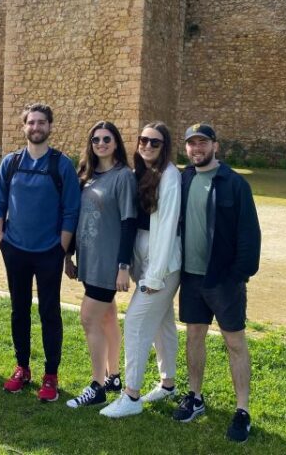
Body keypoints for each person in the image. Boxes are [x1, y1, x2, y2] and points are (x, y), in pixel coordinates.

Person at [172, 123, 261, 444]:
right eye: (191, 144)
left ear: (215, 146)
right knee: (194, 336)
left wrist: (239, 274)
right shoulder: (184, 179)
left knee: (234, 342)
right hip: (192, 277)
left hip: (224, 279)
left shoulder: (234, 184)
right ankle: (195, 396)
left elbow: (249, 234)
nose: (197, 149)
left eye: (202, 143)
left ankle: (242, 410)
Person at [0, 103, 80, 402]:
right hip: (15, 249)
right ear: (24, 126)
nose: (36, 127)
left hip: (49, 252)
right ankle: (22, 367)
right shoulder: (11, 162)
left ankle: (51, 374)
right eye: (31, 122)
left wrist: (61, 248)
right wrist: (2, 240)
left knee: (49, 312)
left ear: (50, 127)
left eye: (42, 122)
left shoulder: (61, 164)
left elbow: (71, 209)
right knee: (19, 310)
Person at [100, 121, 182, 418]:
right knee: (162, 324)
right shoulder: (139, 173)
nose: (147, 145)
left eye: (155, 142)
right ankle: (169, 384)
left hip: (163, 266)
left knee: (135, 322)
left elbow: (168, 229)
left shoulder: (170, 177)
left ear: (165, 147)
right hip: (147, 262)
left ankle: (131, 395)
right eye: (143, 140)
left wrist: (154, 277)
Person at [64, 121, 136, 409]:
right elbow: (75, 215)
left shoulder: (123, 177)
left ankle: (97, 386)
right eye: (96, 139)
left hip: (108, 263)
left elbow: (129, 222)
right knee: (106, 318)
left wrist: (123, 265)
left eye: (107, 138)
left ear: (116, 142)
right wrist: (69, 255)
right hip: (88, 259)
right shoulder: (88, 175)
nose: (101, 143)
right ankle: (114, 375)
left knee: (89, 319)